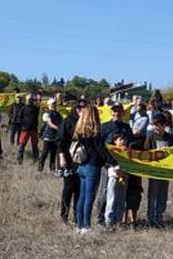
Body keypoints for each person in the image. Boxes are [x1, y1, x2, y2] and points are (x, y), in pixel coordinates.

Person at [71, 105, 108, 234]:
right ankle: (86, 226)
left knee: (81, 196)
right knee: (89, 198)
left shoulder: (80, 132)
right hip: (93, 167)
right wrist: (113, 163)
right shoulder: (95, 134)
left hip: (82, 167)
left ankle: (79, 225)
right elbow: (101, 151)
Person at [96, 104, 134, 225]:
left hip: (123, 165)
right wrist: (108, 161)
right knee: (105, 191)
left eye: (119, 111)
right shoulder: (105, 126)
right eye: (114, 111)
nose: (116, 113)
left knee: (120, 193)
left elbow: (131, 144)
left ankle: (117, 219)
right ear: (111, 113)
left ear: (123, 113)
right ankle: (101, 218)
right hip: (108, 164)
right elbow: (100, 146)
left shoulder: (127, 127)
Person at [57, 100, 86, 225]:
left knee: (80, 191)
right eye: (79, 107)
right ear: (75, 108)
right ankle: (64, 216)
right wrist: (62, 158)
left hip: (83, 161)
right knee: (68, 189)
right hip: (69, 160)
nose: (81, 109)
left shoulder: (88, 123)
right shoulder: (67, 122)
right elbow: (60, 142)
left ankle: (77, 216)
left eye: (84, 107)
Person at [144, 112, 173, 226]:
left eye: (160, 124)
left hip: (166, 170)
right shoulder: (151, 136)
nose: (157, 126)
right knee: (152, 195)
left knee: (163, 194)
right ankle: (150, 218)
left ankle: (159, 216)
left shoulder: (169, 137)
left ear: (164, 125)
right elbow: (146, 150)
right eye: (155, 124)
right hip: (154, 170)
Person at [104, 133, 128, 228]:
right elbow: (109, 164)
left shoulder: (126, 152)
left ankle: (119, 220)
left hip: (124, 178)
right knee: (112, 198)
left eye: (124, 139)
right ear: (115, 141)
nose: (122, 141)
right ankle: (109, 220)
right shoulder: (111, 151)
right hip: (114, 177)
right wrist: (117, 172)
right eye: (120, 139)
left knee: (121, 199)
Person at [38, 98, 62, 172]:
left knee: (53, 154)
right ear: (48, 105)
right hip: (48, 137)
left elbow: (61, 123)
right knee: (44, 153)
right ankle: (40, 168)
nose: (53, 105)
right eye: (52, 104)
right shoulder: (46, 114)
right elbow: (49, 123)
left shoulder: (58, 114)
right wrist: (58, 128)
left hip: (56, 137)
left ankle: (52, 170)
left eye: (54, 103)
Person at [16, 94, 40, 164]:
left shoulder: (36, 108)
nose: (30, 100)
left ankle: (36, 159)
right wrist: (24, 124)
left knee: (35, 145)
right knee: (22, 145)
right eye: (29, 99)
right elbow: (19, 117)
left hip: (34, 129)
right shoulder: (23, 108)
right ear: (26, 100)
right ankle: (19, 159)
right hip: (25, 130)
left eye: (31, 99)